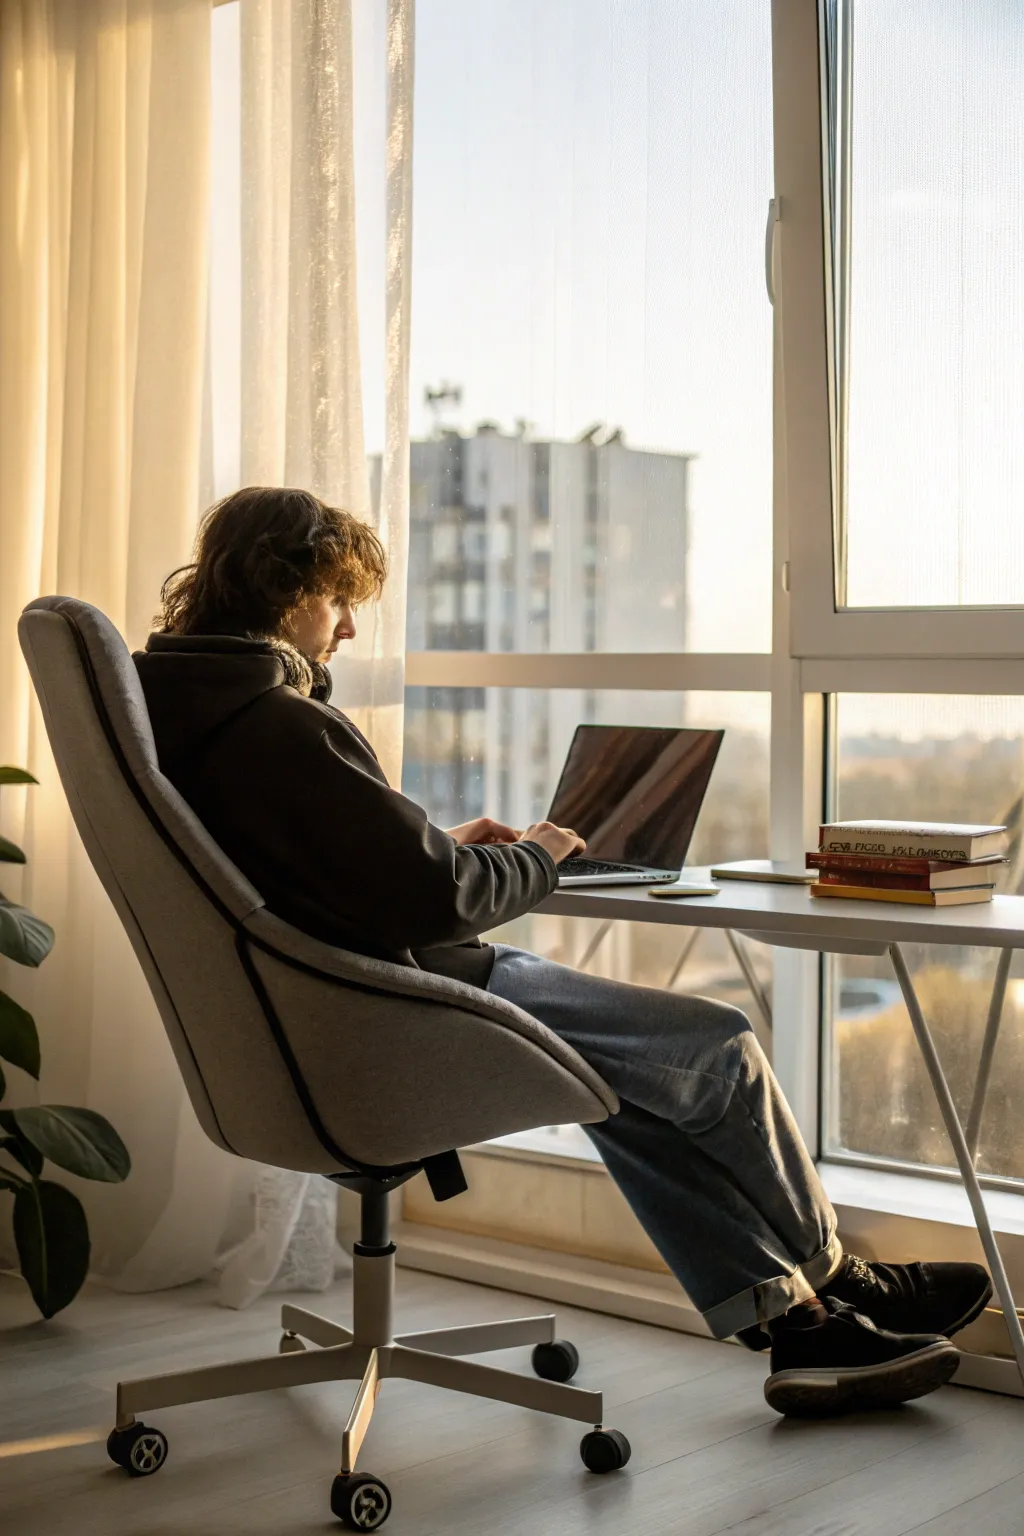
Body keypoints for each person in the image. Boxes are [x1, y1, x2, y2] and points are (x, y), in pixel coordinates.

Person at [134, 487, 991, 1418]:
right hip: (414, 998)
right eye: (338, 599)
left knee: (631, 1086)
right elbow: (441, 901)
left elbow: (290, 869)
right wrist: (539, 854)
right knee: (721, 1048)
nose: (345, 628)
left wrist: (436, 846)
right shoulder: (280, 722)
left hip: (320, 1018)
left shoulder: (183, 714)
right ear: (284, 586)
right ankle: (842, 1276)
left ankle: (799, 1323)